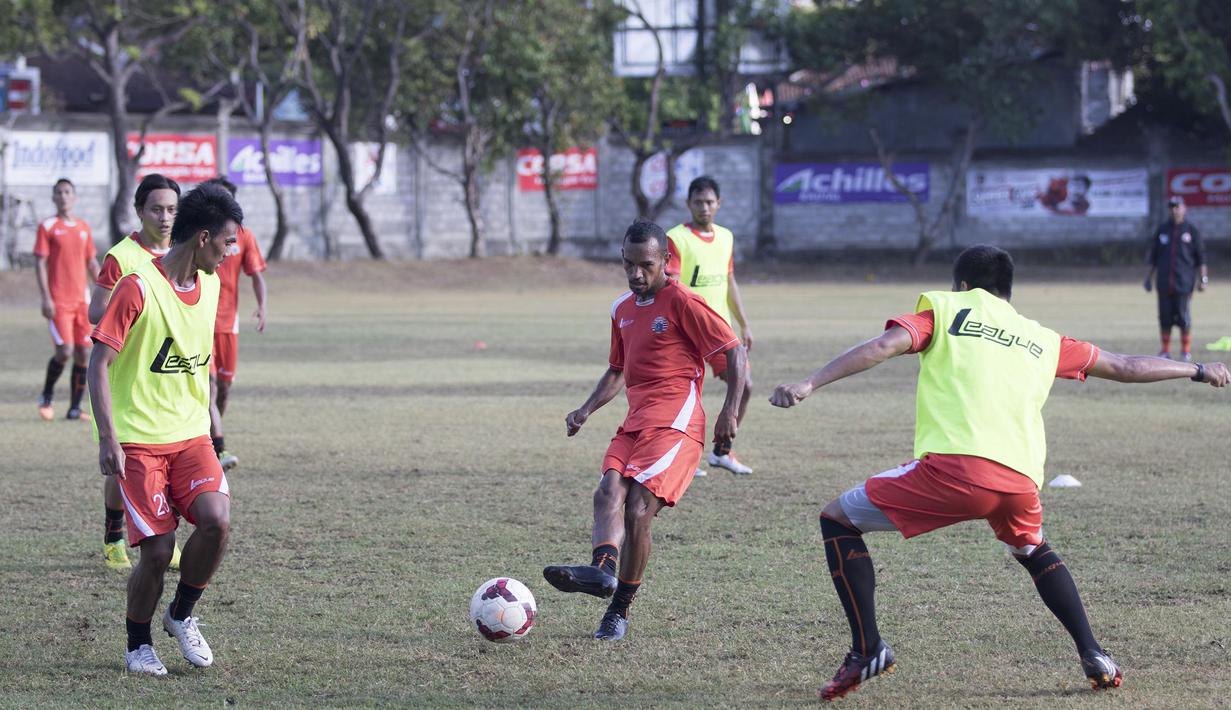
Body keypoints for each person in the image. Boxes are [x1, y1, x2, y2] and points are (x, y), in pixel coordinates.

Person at [769, 245, 1228, 701]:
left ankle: (868, 648)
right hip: (1019, 482)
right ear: (1007, 290)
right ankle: (1095, 654)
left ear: (963, 286)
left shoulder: (947, 311)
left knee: (837, 519)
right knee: (1031, 546)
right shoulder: (1043, 338)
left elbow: (885, 346)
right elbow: (1126, 366)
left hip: (956, 471)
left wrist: (809, 382)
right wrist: (1198, 368)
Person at [543, 220, 747, 641]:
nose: (637, 274)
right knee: (607, 492)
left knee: (638, 510)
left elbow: (734, 351)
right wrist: (585, 410)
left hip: (677, 420)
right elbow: (618, 370)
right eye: (629, 264)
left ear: (665, 261)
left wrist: (730, 412)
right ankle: (601, 572)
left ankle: (618, 610)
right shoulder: (621, 309)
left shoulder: (682, 301)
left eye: (647, 265)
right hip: (636, 418)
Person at [87, 182, 243, 676]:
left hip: (191, 437)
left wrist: (213, 426)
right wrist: (109, 437)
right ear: (202, 237)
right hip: (139, 442)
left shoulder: (212, 284)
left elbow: (198, 365)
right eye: (226, 242)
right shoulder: (137, 286)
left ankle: (181, 614)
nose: (230, 251)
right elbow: (98, 362)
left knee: (217, 519)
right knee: (156, 551)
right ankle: (138, 644)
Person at [86, 173, 181, 571]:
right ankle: (113, 536)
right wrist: (135, 315)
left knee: (172, 459)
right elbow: (95, 311)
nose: (165, 217)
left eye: (172, 209)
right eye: (156, 209)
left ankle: (163, 534)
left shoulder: (184, 251)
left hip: (170, 378)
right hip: (127, 380)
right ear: (139, 210)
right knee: (122, 464)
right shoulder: (121, 256)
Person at [665, 176, 755, 476]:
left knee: (745, 386)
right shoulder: (676, 238)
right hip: (686, 331)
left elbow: (729, 282)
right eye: (698, 202)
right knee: (686, 398)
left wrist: (744, 324)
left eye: (709, 202)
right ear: (688, 204)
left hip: (720, 331)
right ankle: (681, 459)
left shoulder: (726, 237)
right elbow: (671, 287)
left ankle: (721, 452)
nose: (704, 207)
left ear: (719, 203)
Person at [200, 177, 268, 472]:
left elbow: (256, 274)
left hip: (230, 325)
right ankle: (218, 447)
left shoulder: (245, 237)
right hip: (201, 324)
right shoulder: (199, 236)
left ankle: (210, 435)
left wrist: (262, 306)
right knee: (211, 388)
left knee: (224, 389)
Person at [34, 178, 99, 422]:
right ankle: (47, 396)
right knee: (64, 351)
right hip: (59, 301)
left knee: (83, 353)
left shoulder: (83, 227)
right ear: (53, 198)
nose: (63, 196)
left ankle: (74, 408)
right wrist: (46, 298)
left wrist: (108, 286)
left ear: (74, 197)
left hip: (82, 301)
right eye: (59, 192)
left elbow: (91, 262)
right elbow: (40, 263)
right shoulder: (48, 226)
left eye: (67, 192)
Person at [1144, 196, 1208, 361]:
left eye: (1177, 207)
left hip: (1184, 284)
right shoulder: (1162, 230)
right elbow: (1154, 257)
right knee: (1164, 317)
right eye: (1171, 207)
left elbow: (1201, 258)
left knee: (1183, 317)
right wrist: (1148, 278)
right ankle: (1165, 350)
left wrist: (1203, 279)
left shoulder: (1192, 231)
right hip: (1164, 283)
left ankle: (1185, 351)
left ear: (1184, 208)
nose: (1174, 210)